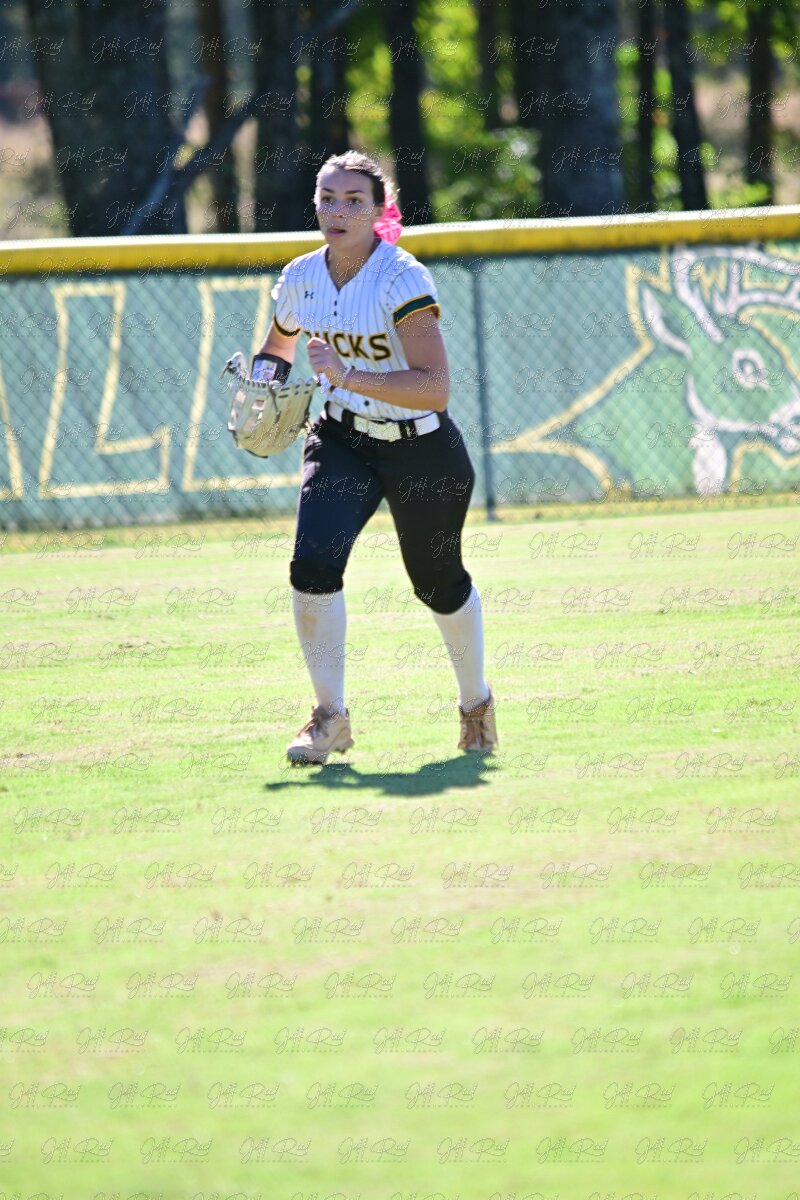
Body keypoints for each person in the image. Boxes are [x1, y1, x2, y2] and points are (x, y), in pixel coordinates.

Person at [253, 150, 498, 765]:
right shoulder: (301, 275)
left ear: (378, 211)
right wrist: (262, 385)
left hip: (421, 446)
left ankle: (476, 704)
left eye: (354, 201)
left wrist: (348, 374)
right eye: (327, 198)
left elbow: (435, 387)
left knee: (437, 583)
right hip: (342, 440)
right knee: (312, 563)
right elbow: (278, 345)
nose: (338, 211)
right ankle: (329, 717)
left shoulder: (400, 278)